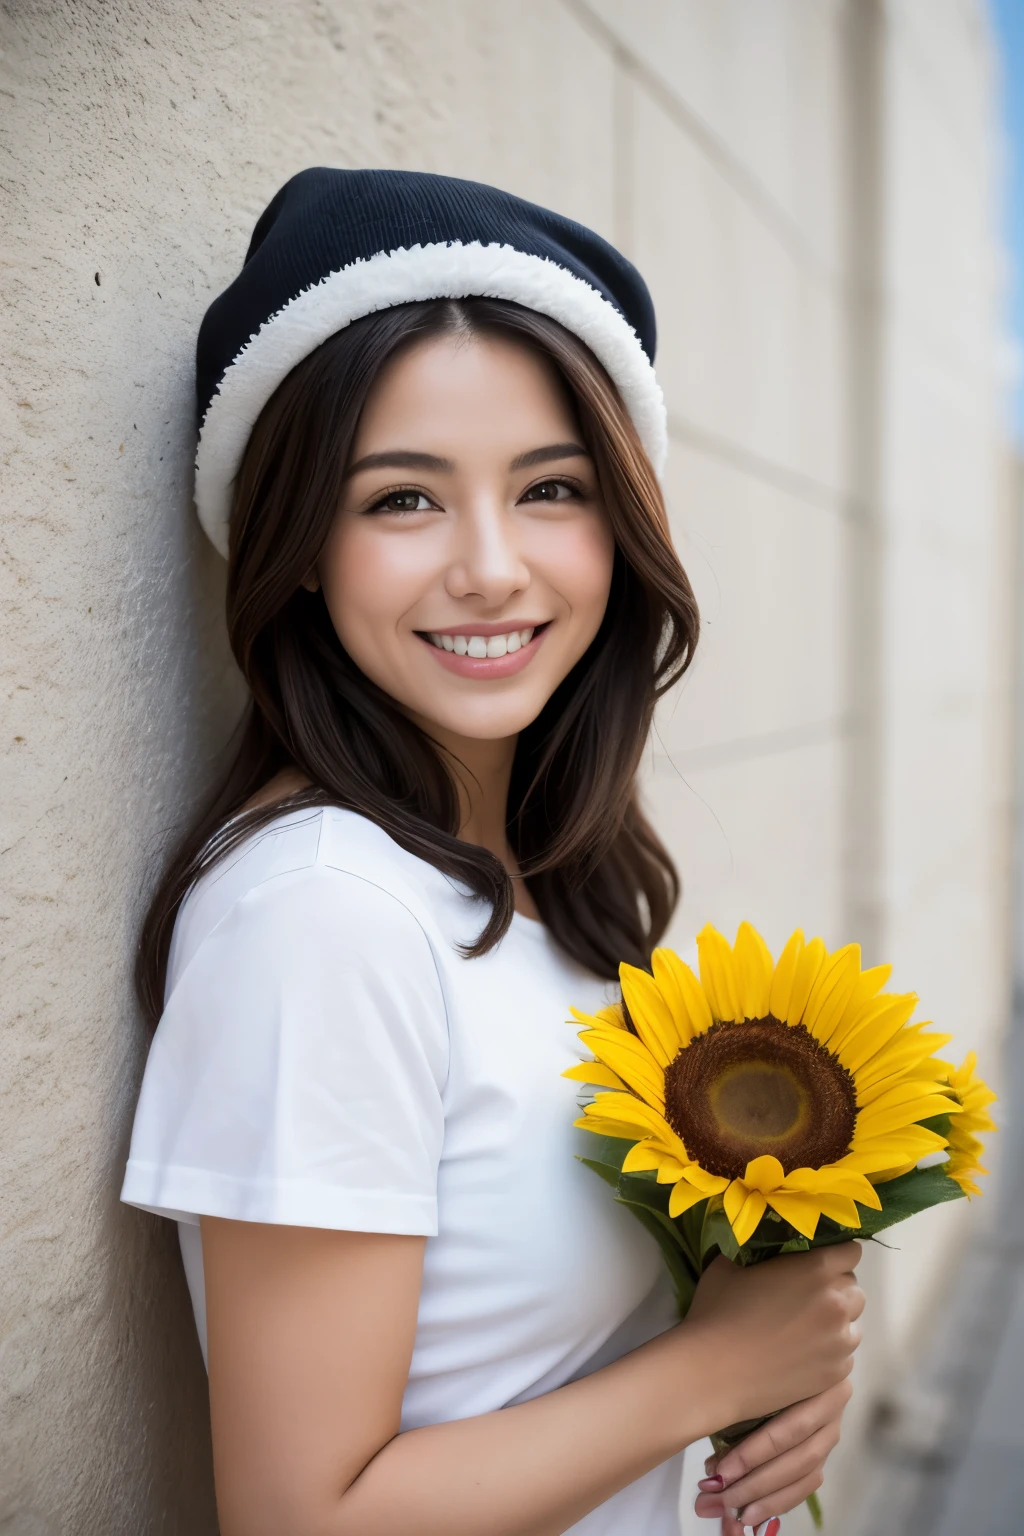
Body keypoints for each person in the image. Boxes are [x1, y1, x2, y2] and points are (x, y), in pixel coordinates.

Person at [122, 169, 863, 1536]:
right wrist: (716, 1368)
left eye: (551, 489)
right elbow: (302, 1519)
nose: (491, 568)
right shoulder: (323, 918)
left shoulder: (552, 881)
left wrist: (778, 1366)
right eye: (402, 500)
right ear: (295, 548)